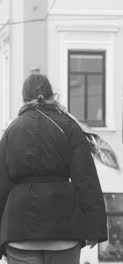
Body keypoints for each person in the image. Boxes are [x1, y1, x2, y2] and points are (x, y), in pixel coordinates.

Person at [0, 74, 108, 264]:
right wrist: (95, 228)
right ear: (52, 96)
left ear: (23, 98)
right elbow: (86, 180)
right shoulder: (69, 127)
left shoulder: (11, 131)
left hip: (19, 231)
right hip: (64, 230)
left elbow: (1, 186)